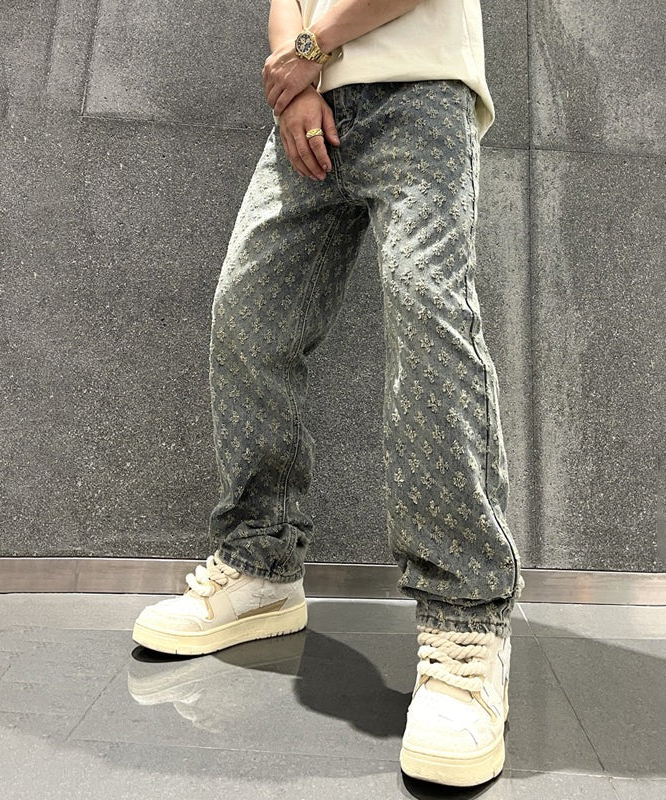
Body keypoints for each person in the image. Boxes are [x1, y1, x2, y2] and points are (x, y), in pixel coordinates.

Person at [132, 0, 525, 786]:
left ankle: (466, 626)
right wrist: (294, 81)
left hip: (421, 90)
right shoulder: (304, 73)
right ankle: (262, 564)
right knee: (249, 317)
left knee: (429, 321)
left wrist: (312, 49)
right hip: (313, 100)